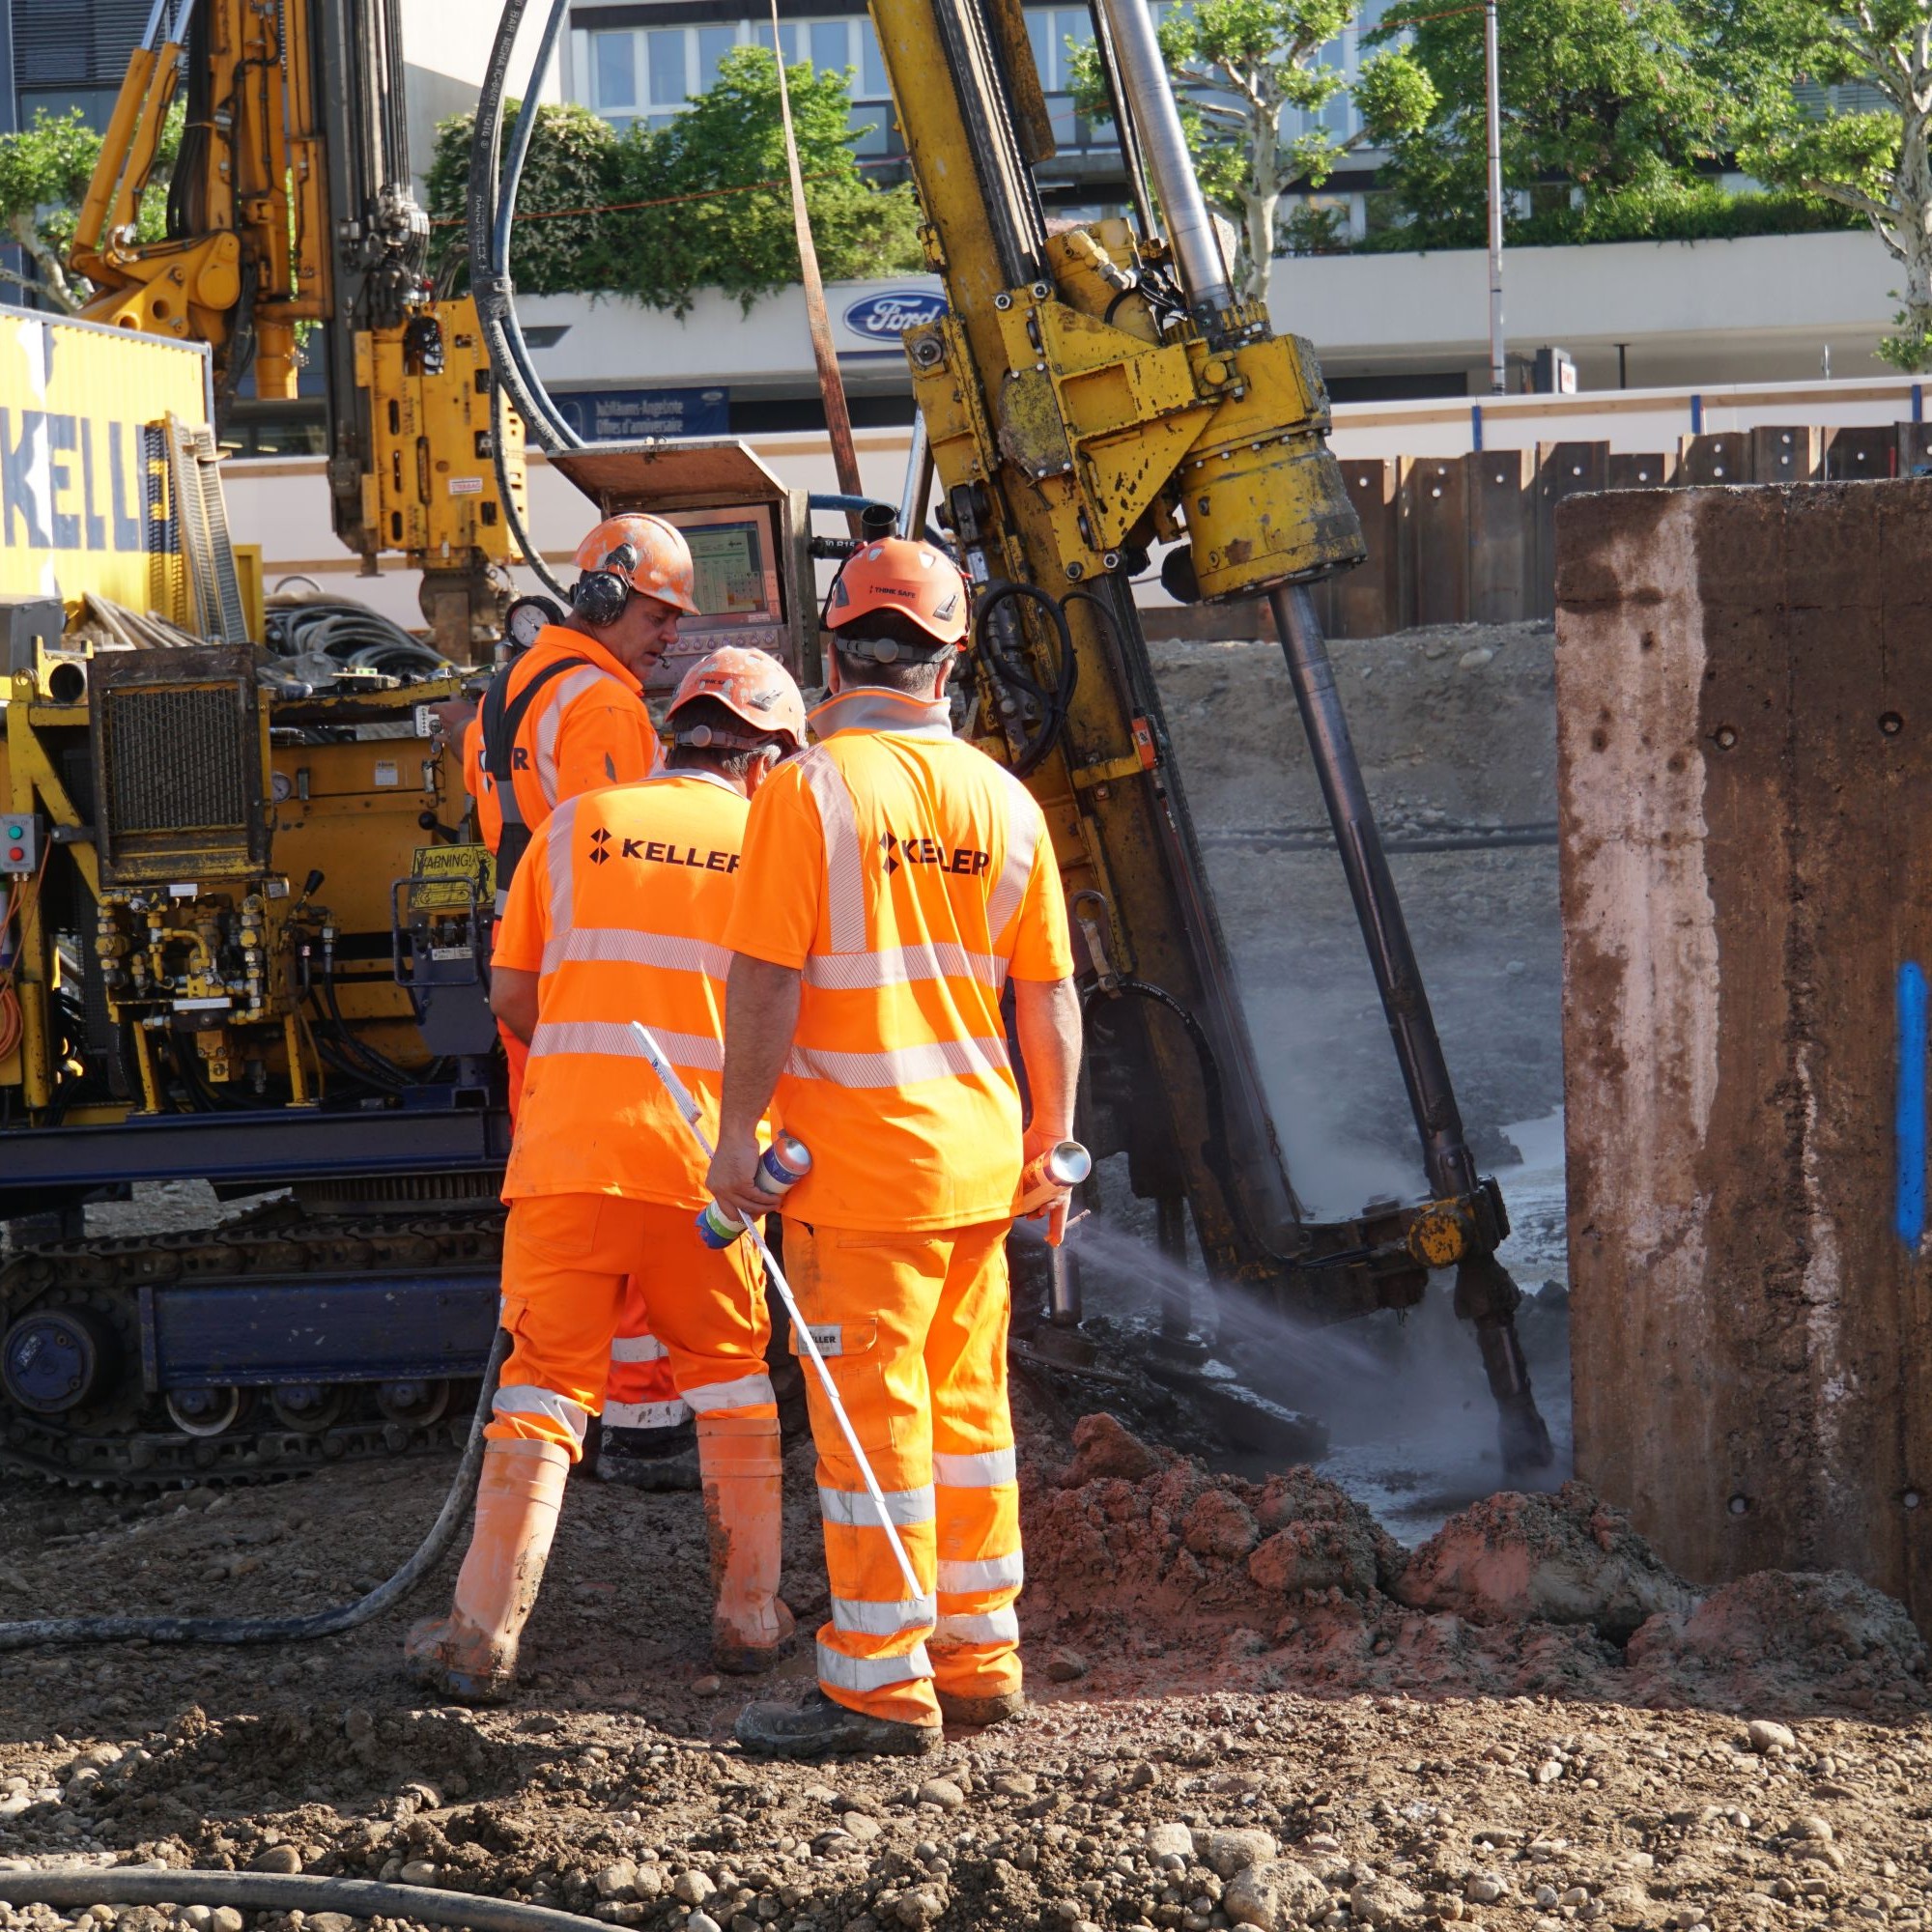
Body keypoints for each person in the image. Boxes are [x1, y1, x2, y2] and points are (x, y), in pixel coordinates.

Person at [707, 535, 1083, 1759]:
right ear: (951, 657)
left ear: (832, 646)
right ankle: (979, 1658)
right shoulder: (1006, 801)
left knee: (874, 1428)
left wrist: (734, 1135)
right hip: (978, 1167)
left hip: (859, 1175)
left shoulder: (808, 789)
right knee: (969, 1417)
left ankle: (875, 1682)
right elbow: (1051, 999)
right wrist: (1053, 1142)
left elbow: (765, 978)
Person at [403, 645, 809, 1702]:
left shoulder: (575, 825)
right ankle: (748, 1617)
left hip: (569, 1157)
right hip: (707, 1169)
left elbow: (510, 992)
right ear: (763, 760)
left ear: (675, 734)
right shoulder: (774, 837)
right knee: (728, 1382)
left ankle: (479, 1634)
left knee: (538, 1390)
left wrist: (592, 1049)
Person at [478, 517, 701, 1487]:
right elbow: (629, 857)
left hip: (532, 973)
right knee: (638, 1189)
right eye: (658, 614)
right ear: (608, 599)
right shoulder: (605, 707)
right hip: (599, 982)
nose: (670, 637)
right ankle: (648, 1421)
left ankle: (577, 1408)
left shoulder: (512, 689)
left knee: (570, 1209)